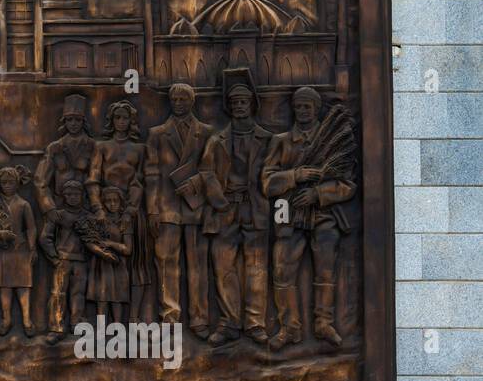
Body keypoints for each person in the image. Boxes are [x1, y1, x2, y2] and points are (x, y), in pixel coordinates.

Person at [262, 87, 357, 350]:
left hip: (323, 215)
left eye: (307, 106)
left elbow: (348, 185)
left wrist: (317, 193)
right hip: (288, 214)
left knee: (325, 270)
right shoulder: (280, 141)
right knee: (282, 271)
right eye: (298, 106)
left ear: (316, 109)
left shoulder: (333, 141)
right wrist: (296, 176)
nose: (302, 111)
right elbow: (267, 183)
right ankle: (289, 328)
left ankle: (323, 323)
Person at [199, 69, 272, 346]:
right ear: (229, 108)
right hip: (225, 210)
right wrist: (220, 201)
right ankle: (229, 322)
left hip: (255, 210)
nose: (239, 107)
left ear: (252, 104)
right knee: (224, 268)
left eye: (243, 102)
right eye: (234, 103)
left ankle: (255, 324)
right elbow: (206, 173)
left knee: (256, 268)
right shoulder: (216, 141)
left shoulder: (267, 139)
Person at [145, 83, 213, 335]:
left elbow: (213, 171)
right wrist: (152, 209)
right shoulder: (157, 134)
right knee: (166, 263)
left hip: (196, 208)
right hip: (166, 207)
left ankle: (199, 318)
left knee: (197, 265)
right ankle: (170, 316)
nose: (179, 103)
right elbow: (151, 174)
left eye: (184, 99)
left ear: (192, 101)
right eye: (174, 99)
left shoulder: (206, 133)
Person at [89, 100, 150, 321]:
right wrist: (98, 210)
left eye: (125, 118)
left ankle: (133, 318)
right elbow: (93, 180)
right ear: (111, 120)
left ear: (131, 121)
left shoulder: (140, 149)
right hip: (106, 212)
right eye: (117, 117)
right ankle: (104, 321)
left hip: (132, 214)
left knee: (136, 265)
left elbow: (141, 181)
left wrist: (130, 211)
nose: (121, 122)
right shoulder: (101, 147)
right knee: (105, 267)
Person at [0, 164, 38, 337]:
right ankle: (6, 319)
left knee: (23, 285)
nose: (7, 186)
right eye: (3, 182)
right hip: (1, 250)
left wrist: (32, 247)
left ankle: (27, 319)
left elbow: (31, 228)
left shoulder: (24, 204)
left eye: (11, 182)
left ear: (17, 183)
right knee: (4, 286)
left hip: (21, 250)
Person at [39, 178, 90, 343]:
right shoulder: (58, 215)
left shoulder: (88, 216)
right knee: (58, 294)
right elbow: (45, 238)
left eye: (77, 194)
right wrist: (54, 257)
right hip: (63, 261)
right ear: (64, 196)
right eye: (70, 194)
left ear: (82, 195)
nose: (73, 197)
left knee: (78, 294)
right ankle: (56, 328)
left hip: (81, 261)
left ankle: (76, 324)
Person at [34, 93, 95, 213]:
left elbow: (96, 179)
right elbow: (40, 181)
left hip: (85, 207)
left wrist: (96, 208)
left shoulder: (92, 146)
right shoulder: (54, 147)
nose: (73, 123)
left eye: (77, 119)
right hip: (60, 207)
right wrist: (49, 208)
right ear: (64, 121)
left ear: (83, 121)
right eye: (69, 119)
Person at [85, 186, 134, 325]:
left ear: (121, 202)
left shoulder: (124, 223)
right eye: (108, 201)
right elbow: (90, 241)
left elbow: (128, 249)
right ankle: (101, 328)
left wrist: (111, 244)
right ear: (103, 202)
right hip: (101, 265)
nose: (112, 204)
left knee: (117, 297)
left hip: (118, 265)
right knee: (101, 296)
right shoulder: (98, 221)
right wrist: (101, 250)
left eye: (115, 201)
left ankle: (117, 326)